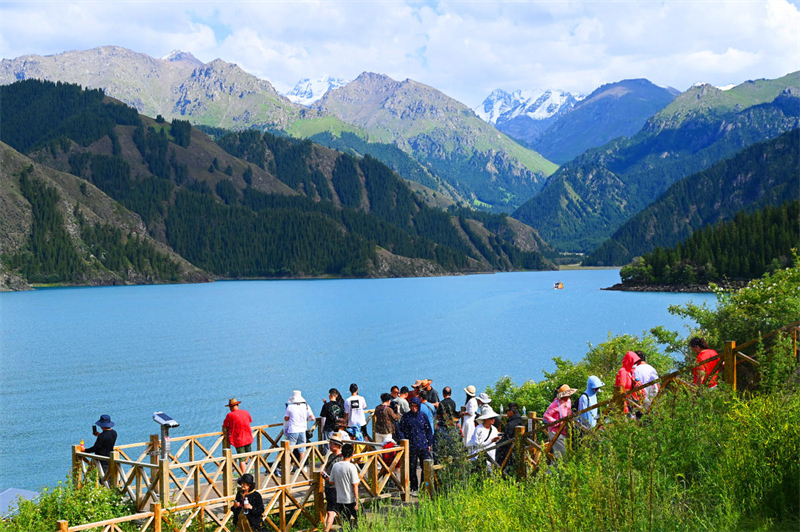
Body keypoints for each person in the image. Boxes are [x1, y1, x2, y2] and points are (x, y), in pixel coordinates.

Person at [396, 397, 433, 493]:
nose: (414, 408)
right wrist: (403, 441)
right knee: (411, 469)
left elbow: (428, 430)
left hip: (423, 445)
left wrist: (429, 443)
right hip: (411, 446)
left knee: (425, 467)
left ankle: (424, 487)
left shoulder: (423, 416)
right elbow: (400, 430)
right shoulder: (406, 417)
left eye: (416, 406)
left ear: (418, 406)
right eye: (412, 405)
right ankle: (414, 487)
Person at [329, 443, 360, 529]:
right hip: (351, 499)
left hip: (340, 500)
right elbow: (355, 485)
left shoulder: (336, 466)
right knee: (361, 519)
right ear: (352, 453)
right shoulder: (351, 467)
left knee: (345, 523)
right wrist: (357, 501)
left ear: (342, 453)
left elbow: (331, 481)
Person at [543, 384, 576, 460]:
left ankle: (551, 471)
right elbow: (546, 416)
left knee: (559, 454)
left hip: (564, 430)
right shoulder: (555, 404)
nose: (568, 396)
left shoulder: (568, 401)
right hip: (555, 432)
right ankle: (551, 471)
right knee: (562, 454)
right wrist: (557, 422)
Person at [284, 390, 315, 464]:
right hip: (302, 430)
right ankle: (302, 468)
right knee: (302, 450)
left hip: (293, 430)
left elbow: (286, 418)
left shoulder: (290, 407)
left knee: (289, 450)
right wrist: (305, 419)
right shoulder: (306, 406)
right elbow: (312, 418)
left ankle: (288, 467)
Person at [223, 399, 254, 469]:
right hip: (248, 436)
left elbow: (225, 426)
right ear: (238, 405)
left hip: (238, 439)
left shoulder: (230, 415)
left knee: (241, 458)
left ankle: (244, 476)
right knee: (248, 453)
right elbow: (250, 421)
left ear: (230, 407)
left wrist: (224, 433)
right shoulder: (246, 412)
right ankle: (246, 468)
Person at [321, 438, 343, 532]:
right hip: (328, 487)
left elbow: (340, 476)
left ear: (338, 445)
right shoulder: (330, 455)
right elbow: (326, 466)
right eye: (330, 444)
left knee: (331, 512)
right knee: (333, 510)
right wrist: (324, 473)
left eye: (332, 444)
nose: (330, 446)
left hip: (335, 488)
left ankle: (326, 530)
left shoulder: (341, 458)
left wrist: (330, 479)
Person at [494, 402, 524, 469]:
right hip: (518, 446)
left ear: (511, 412)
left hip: (509, 449)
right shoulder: (520, 420)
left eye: (507, 411)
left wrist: (497, 443)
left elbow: (506, 439)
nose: (506, 412)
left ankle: (499, 470)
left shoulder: (511, 423)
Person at [320, 389, 345, 454]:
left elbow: (323, 418)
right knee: (337, 445)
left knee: (328, 446)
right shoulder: (340, 405)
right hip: (338, 428)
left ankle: (327, 460)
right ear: (336, 396)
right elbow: (342, 417)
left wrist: (322, 428)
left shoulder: (326, 405)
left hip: (328, 428)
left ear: (329, 395)